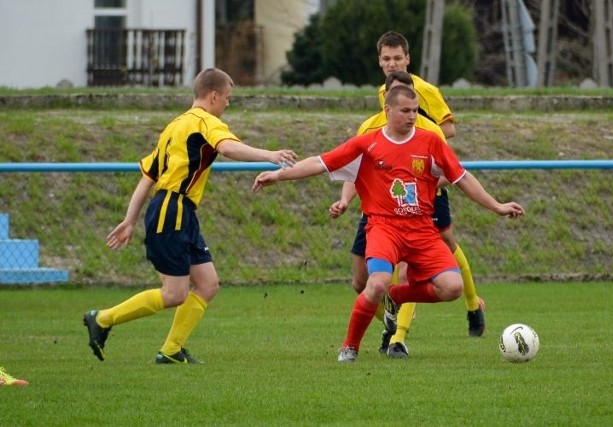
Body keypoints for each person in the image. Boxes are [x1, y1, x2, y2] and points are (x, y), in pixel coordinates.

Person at [253, 85, 524, 363]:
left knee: (451, 287)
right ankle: (350, 347)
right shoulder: (366, 144)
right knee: (377, 282)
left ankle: (397, 295)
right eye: (405, 111)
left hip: (421, 229)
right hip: (384, 228)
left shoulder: (430, 142)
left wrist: (497, 206)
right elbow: (320, 162)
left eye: (415, 111)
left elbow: (462, 177)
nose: (411, 116)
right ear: (388, 110)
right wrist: (279, 176)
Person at [83, 68, 298, 364]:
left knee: (208, 284)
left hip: (180, 211)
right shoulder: (204, 122)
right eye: (227, 99)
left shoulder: (174, 126)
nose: (226, 105)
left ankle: (171, 350)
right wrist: (270, 154)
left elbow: (147, 177)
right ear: (213, 96)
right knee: (174, 294)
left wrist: (130, 220)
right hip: (172, 210)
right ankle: (103, 318)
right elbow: (229, 148)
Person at [332, 31, 485, 359]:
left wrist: (418, 156)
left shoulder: (425, 96)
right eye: (386, 59)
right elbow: (357, 163)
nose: (390, 64)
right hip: (381, 202)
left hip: (425, 187)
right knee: (363, 282)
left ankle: (403, 336)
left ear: (408, 59)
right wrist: (346, 199)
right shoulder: (374, 116)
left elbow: (449, 132)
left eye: (396, 59)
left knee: (440, 245)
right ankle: (388, 316)